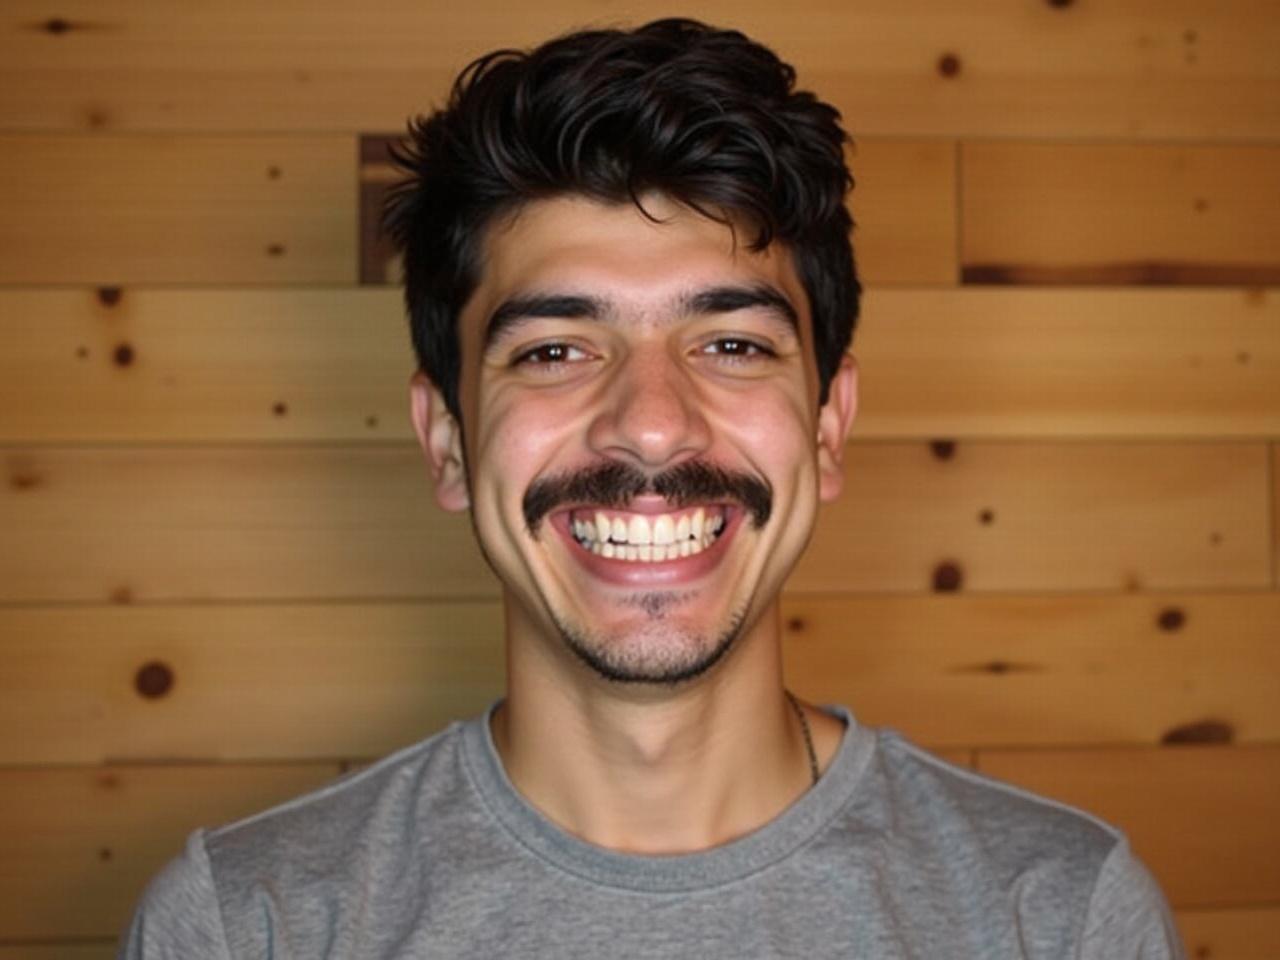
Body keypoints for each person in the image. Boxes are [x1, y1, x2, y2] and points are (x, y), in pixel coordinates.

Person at [119, 19, 1185, 958]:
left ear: (826, 429)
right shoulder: (245, 926)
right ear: (446, 439)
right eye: (552, 351)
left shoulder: (1057, 918)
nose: (649, 423)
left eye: (727, 342)